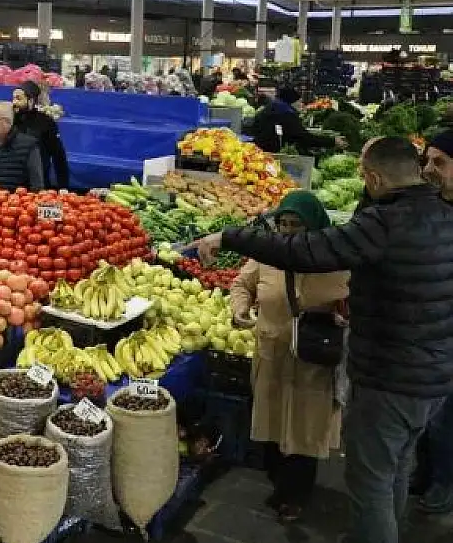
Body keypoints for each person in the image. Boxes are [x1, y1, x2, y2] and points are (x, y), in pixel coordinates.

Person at [194, 136, 453, 543]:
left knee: (370, 484)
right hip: (434, 375)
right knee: (396, 469)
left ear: (372, 177)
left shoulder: (383, 224)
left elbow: (308, 251)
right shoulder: (444, 214)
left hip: (389, 376)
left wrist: (229, 237)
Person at [228, 190, 349, 522]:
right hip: (271, 357)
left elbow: (360, 302)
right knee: (270, 423)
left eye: (297, 225)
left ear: (314, 225)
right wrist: (240, 309)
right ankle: (277, 480)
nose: (288, 231)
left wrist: (346, 316)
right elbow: (241, 285)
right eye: (283, 224)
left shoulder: (337, 262)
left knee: (305, 431)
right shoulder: (267, 257)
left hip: (313, 365)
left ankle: (295, 496)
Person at [417, 130, 453, 514]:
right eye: (427, 161)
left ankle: (444, 481)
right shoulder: (430, 206)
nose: (429, 170)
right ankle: (425, 473)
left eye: (440, 163)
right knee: (428, 416)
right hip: (427, 329)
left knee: (445, 418)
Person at [248, 86, 344, 154]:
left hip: (259, 150)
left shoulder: (272, 108)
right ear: (292, 102)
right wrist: (332, 141)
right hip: (271, 154)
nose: (301, 104)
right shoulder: (286, 114)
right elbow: (304, 138)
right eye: (299, 101)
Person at [11, 81, 70, 189]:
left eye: (19, 99)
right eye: (13, 98)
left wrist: (63, 187)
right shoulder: (10, 121)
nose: (14, 102)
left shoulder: (46, 122)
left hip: (39, 183)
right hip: (13, 183)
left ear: (31, 100)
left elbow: (59, 156)